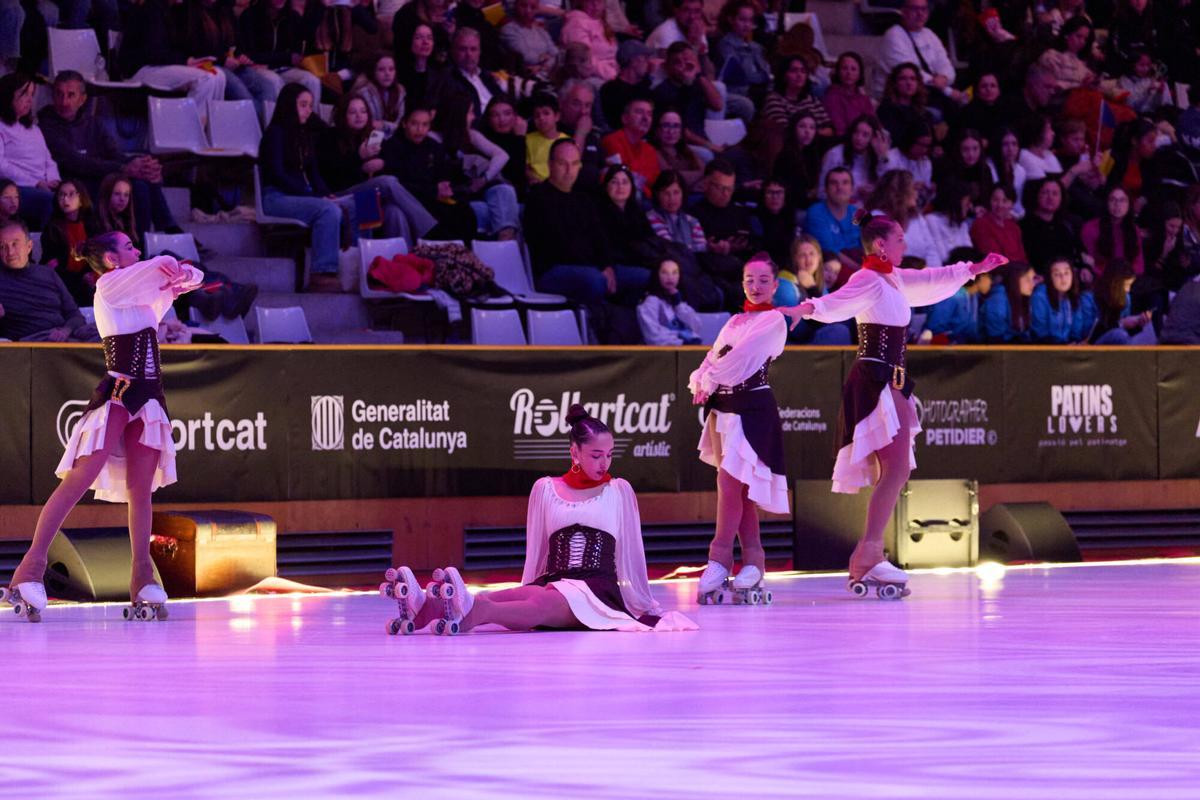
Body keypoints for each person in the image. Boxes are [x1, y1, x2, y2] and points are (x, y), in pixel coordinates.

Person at [781, 212, 1007, 597]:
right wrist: (804, 309)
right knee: (897, 468)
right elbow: (836, 303)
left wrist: (972, 269)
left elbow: (932, 281)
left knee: (896, 469)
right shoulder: (867, 279)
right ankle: (867, 554)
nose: (906, 244)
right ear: (881, 244)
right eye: (900, 238)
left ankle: (867, 554)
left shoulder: (895, 279)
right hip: (875, 379)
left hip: (894, 381)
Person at [1, 230, 202, 622]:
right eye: (129, 247)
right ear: (111, 260)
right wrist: (170, 270)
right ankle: (30, 569)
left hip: (148, 397)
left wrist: (181, 276)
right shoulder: (111, 286)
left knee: (140, 491)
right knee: (79, 479)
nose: (136, 250)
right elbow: (161, 268)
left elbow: (187, 278)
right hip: (119, 393)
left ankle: (142, 578)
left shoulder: (140, 292)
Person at [384, 406, 697, 634]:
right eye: (595, 455)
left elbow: (632, 556)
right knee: (522, 595)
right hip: (556, 583)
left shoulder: (619, 491)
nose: (604, 463)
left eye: (609, 454)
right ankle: (422, 607)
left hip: (598, 592)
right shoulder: (546, 489)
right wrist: (531, 585)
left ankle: (475, 613)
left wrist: (642, 606)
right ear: (575, 452)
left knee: (535, 605)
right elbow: (537, 552)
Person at [689, 254, 789, 604]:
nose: (756, 286)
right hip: (723, 411)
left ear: (775, 285)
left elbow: (737, 360)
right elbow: (712, 357)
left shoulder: (774, 320)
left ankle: (718, 558)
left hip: (753, 410)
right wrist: (702, 377)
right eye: (750, 279)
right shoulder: (733, 321)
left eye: (763, 280)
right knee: (740, 490)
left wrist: (709, 378)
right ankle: (755, 562)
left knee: (730, 484)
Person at [38, 72, 181, 240]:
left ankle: (167, 231)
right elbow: (76, 162)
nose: (64, 102)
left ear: (82, 99)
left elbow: (114, 154)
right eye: (59, 94)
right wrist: (124, 169)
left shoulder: (93, 123)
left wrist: (141, 165)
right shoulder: (47, 125)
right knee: (137, 187)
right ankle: (142, 242)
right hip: (74, 182)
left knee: (145, 179)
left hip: (101, 176)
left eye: (71, 95)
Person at [260, 84, 355, 291]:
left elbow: (313, 172)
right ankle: (321, 273)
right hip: (276, 197)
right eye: (303, 105)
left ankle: (353, 267)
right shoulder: (275, 134)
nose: (308, 110)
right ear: (289, 105)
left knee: (351, 204)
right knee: (327, 210)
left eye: (310, 106)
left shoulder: (304, 135)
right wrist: (312, 195)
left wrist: (325, 193)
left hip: (299, 195)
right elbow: (277, 175)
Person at [317, 94, 438, 245]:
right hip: (341, 194)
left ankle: (403, 261)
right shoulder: (330, 137)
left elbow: (394, 165)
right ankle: (430, 231)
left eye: (363, 111)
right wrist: (358, 158)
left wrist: (382, 164)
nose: (359, 116)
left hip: (367, 195)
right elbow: (331, 173)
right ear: (343, 115)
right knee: (387, 181)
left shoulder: (373, 136)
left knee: (395, 212)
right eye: (353, 112)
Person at [0, 218, 98, 342]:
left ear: (29, 246)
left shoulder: (48, 273)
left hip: (68, 333)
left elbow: (75, 315)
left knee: (111, 336)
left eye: (15, 244)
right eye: (2, 247)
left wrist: (66, 330)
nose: (10, 252)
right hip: (35, 341)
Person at [0, 73, 60, 230]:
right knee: (50, 201)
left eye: (32, 94)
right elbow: (2, 166)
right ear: (8, 96)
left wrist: (54, 180)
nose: (29, 100)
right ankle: (47, 248)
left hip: (42, 184)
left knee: (76, 197)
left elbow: (49, 160)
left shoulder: (34, 129)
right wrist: (36, 183)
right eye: (24, 94)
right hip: (16, 187)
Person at [40, 179, 101, 306]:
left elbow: (97, 256)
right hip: (65, 282)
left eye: (71, 194)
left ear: (81, 198)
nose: (65, 199)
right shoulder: (52, 228)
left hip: (88, 280)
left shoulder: (92, 224)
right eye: (62, 194)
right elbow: (53, 264)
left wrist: (90, 274)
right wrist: (80, 278)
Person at [1031, 257, 1098, 343]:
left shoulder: (1073, 295)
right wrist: (1064, 346)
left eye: (1066, 273)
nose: (1063, 277)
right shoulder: (1040, 296)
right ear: (1050, 278)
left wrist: (1075, 343)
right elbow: (1040, 333)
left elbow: (1076, 331)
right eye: (1057, 274)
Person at [637, 257, 702, 345]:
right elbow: (653, 336)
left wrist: (678, 305)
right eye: (664, 272)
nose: (670, 277)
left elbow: (696, 327)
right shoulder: (649, 302)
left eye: (674, 272)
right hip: (662, 354)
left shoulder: (678, 301)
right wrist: (681, 341)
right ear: (656, 275)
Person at [1090, 257, 1156, 343]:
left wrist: (1138, 323)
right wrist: (1121, 324)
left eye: (1130, 285)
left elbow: (1126, 331)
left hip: (1118, 341)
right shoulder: (1091, 299)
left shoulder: (1126, 298)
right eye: (1126, 285)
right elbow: (1090, 335)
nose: (1128, 290)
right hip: (1095, 343)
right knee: (1119, 334)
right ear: (1115, 284)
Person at [980, 260, 1037, 343]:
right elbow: (996, 339)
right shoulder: (998, 298)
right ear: (1014, 279)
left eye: (1033, 278)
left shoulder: (1023, 297)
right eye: (1027, 279)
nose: (1033, 284)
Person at [971, 183, 1028, 264]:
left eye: (1005, 201)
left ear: (1012, 204)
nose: (1000, 205)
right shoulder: (981, 224)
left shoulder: (1014, 227)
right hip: (997, 273)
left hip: (1019, 271)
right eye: (995, 200)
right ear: (989, 201)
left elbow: (1022, 257)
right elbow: (994, 260)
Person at [823, 52, 875, 138]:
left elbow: (873, 122)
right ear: (838, 71)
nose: (849, 73)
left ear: (860, 73)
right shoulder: (832, 96)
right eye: (844, 68)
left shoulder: (863, 98)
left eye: (853, 69)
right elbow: (839, 130)